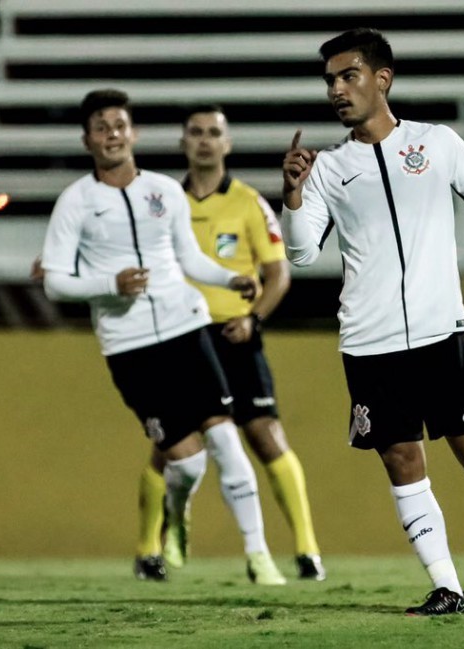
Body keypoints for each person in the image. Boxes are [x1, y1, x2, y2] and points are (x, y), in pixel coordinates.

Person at [279, 28, 464, 615]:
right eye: (330, 81)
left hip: (441, 332)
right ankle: (449, 586)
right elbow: (298, 254)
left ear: (381, 79)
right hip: (370, 342)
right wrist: (291, 194)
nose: (336, 90)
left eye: (348, 76)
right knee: (402, 460)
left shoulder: (436, 143)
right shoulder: (325, 168)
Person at [34, 88, 286, 586]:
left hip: (185, 326)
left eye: (120, 125)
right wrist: (111, 285)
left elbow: (188, 259)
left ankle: (260, 558)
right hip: (128, 347)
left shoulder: (164, 192)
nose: (112, 134)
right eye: (101, 127)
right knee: (187, 464)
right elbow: (55, 279)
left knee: (226, 438)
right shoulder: (76, 202)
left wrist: (227, 278)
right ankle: (176, 511)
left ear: (135, 134)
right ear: (88, 140)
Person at [133, 105, 326, 582]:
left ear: (227, 144)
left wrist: (253, 319)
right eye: (195, 132)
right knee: (171, 447)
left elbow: (278, 274)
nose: (204, 140)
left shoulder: (248, 203)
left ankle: (306, 550)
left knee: (266, 436)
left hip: (234, 336)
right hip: (179, 340)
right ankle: (148, 550)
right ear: (183, 142)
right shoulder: (160, 204)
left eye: (213, 133)